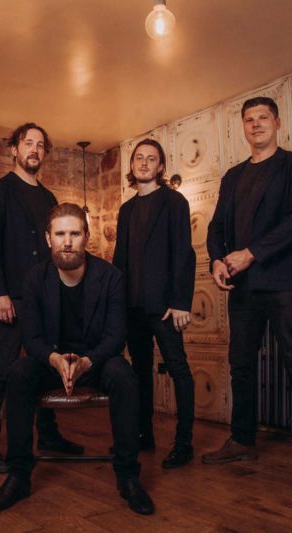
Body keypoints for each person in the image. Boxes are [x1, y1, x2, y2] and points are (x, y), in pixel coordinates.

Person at [0, 203, 154, 515]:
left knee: (125, 375)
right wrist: (54, 360)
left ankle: (128, 476)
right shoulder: (35, 278)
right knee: (19, 371)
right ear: (48, 239)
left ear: (86, 237)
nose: (67, 241)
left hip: (96, 361)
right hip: (52, 362)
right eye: (60, 234)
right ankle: (19, 474)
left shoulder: (111, 276)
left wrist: (87, 361)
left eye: (74, 233)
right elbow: (31, 338)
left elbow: (116, 336)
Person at [203, 96, 292, 488]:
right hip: (243, 286)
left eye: (262, 118)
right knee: (240, 365)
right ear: (243, 127)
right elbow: (216, 228)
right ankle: (242, 439)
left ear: (277, 122)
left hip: (286, 282)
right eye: (248, 119)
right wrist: (216, 261)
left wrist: (251, 253)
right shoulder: (232, 177)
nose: (255, 124)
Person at [0, 123, 83, 474]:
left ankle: (49, 436)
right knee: (1, 372)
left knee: (45, 366)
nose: (34, 150)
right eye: (28, 143)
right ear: (14, 150)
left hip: (47, 299)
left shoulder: (49, 199)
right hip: (13, 299)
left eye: (40, 145)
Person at [112, 138, 196, 468]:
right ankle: (143, 436)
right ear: (132, 166)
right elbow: (120, 260)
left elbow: (183, 253)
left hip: (165, 306)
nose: (144, 162)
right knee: (139, 373)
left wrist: (181, 302)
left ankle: (184, 443)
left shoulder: (174, 202)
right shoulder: (125, 209)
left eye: (151, 158)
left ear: (161, 167)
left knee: (179, 370)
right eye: (139, 158)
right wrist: (114, 306)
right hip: (132, 308)